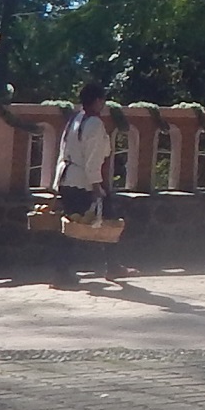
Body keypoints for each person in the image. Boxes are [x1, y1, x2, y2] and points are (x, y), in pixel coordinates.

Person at [53, 79, 125, 282]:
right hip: (82, 181)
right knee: (79, 225)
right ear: (97, 101)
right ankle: (63, 272)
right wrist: (96, 186)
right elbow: (93, 158)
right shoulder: (94, 124)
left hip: (67, 177)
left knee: (79, 221)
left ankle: (112, 265)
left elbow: (64, 151)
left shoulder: (75, 119)